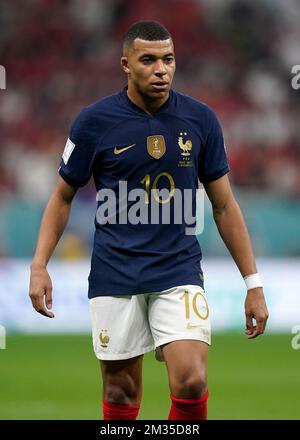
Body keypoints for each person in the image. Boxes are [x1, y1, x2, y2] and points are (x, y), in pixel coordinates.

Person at [29, 20, 269, 420]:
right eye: (149, 60)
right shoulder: (93, 122)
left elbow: (225, 206)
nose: (161, 69)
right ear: (126, 64)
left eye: (168, 59)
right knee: (121, 394)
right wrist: (39, 265)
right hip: (114, 271)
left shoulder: (201, 120)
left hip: (178, 269)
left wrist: (254, 284)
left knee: (191, 379)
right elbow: (61, 197)